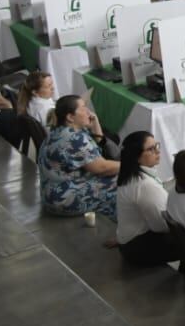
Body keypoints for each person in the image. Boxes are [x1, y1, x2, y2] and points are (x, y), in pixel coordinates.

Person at [37, 94, 118, 219]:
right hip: (63, 200)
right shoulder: (74, 138)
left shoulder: (62, 130)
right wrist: (132, 164)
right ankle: (119, 226)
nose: (89, 112)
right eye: (84, 108)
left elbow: (97, 151)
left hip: (51, 195)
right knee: (125, 179)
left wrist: (95, 126)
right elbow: (102, 167)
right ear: (70, 117)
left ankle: (109, 216)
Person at [115, 131, 177, 266]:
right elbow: (161, 225)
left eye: (156, 146)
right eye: (151, 149)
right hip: (137, 249)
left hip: (129, 242)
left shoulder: (131, 174)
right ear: (136, 156)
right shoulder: (144, 185)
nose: (157, 152)